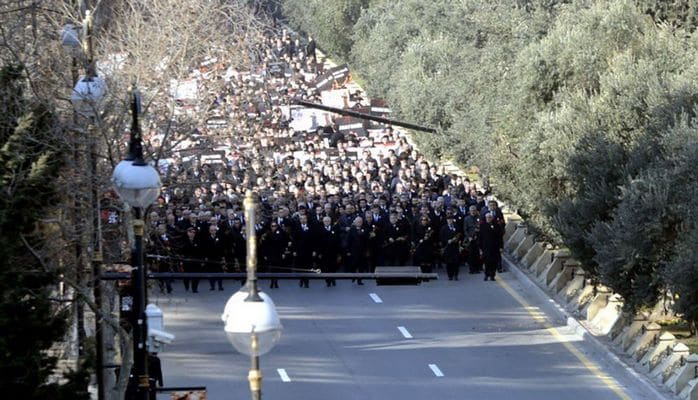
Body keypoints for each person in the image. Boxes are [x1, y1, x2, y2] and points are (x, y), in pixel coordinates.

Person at [316, 216, 340, 287]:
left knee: (333, 266)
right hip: (324, 252)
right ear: (323, 222)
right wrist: (319, 252)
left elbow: (338, 241)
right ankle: (327, 280)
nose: (327, 222)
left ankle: (333, 279)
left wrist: (338, 253)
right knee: (325, 267)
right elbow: (318, 242)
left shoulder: (334, 229)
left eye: (328, 221)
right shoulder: (320, 230)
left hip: (333, 252)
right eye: (325, 221)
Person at [479, 212, 503, 281]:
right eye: (487, 217)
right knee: (487, 262)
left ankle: (492, 275)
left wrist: (501, 246)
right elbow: (480, 237)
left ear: (492, 218)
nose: (488, 219)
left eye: (490, 217)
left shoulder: (496, 226)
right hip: (486, 247)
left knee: (494, 262)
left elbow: (500, 237)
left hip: (495, 247)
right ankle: (486, 274)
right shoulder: (482, 226)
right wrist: (480, 248)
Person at [346, 216, 369, 285]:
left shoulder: (365, 229)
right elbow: (348, 241)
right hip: (354, 251)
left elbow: (367, 241)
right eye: (358, 222)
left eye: (360, 222)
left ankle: (360, 280)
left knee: (361, 266)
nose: (359, 223)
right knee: (354, 265)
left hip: (362, 251)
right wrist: (348, 251)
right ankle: (353, 277)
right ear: (355, 222)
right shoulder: (352, 230)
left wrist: (367, 251)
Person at [440, 214, 461, 281]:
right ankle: (450, 275)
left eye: (451, 219)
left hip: (455, 247)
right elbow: (441, 237)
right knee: (449, 262)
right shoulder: (444, 228)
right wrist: (447, 241)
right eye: (449, 220)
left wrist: (457, 240)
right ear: (447, 221)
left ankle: (456, 275)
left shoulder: (456, 227)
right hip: (448, 247)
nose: (450, 221)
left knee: (456, 262)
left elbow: (460, 235)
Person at [463, 205, 482, 274]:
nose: (473, 212)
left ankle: (477, 269)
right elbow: (465, 229)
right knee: (471, 255)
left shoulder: (479, 218)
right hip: (470, 238)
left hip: (478, 238)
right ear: (469, 211)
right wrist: (469, 237)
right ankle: (471, 269)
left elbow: (481, 227)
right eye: (472, 210)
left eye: (474, 210)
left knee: (477, 254)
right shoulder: (466, 219)